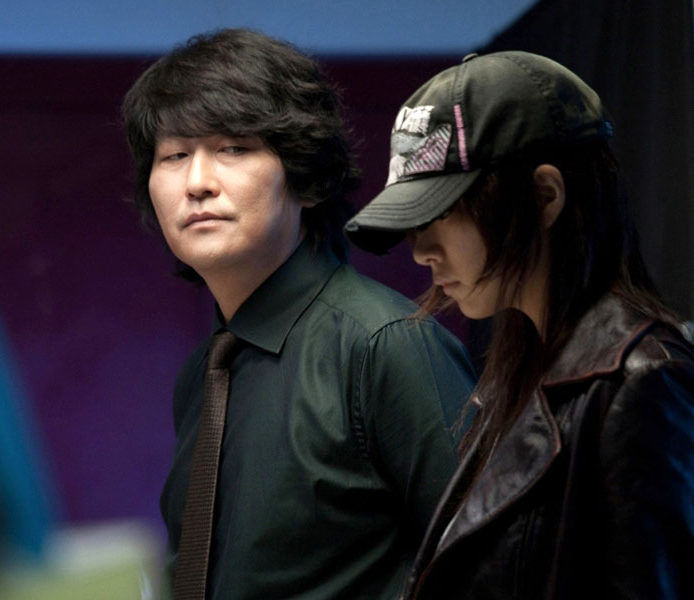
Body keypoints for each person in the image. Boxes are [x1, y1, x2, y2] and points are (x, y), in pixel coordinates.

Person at [122, 29, 477, 599]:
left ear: (306, 180)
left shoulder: (384, 344)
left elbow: (493, 570)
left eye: (233, 149)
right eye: (175, 155)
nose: (197, 183)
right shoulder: (203, 373)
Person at [345, 51, 694, 599]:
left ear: (545, 196)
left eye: (442, 213)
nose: (421, 252)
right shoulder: (518, 377)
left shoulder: (643, 383)